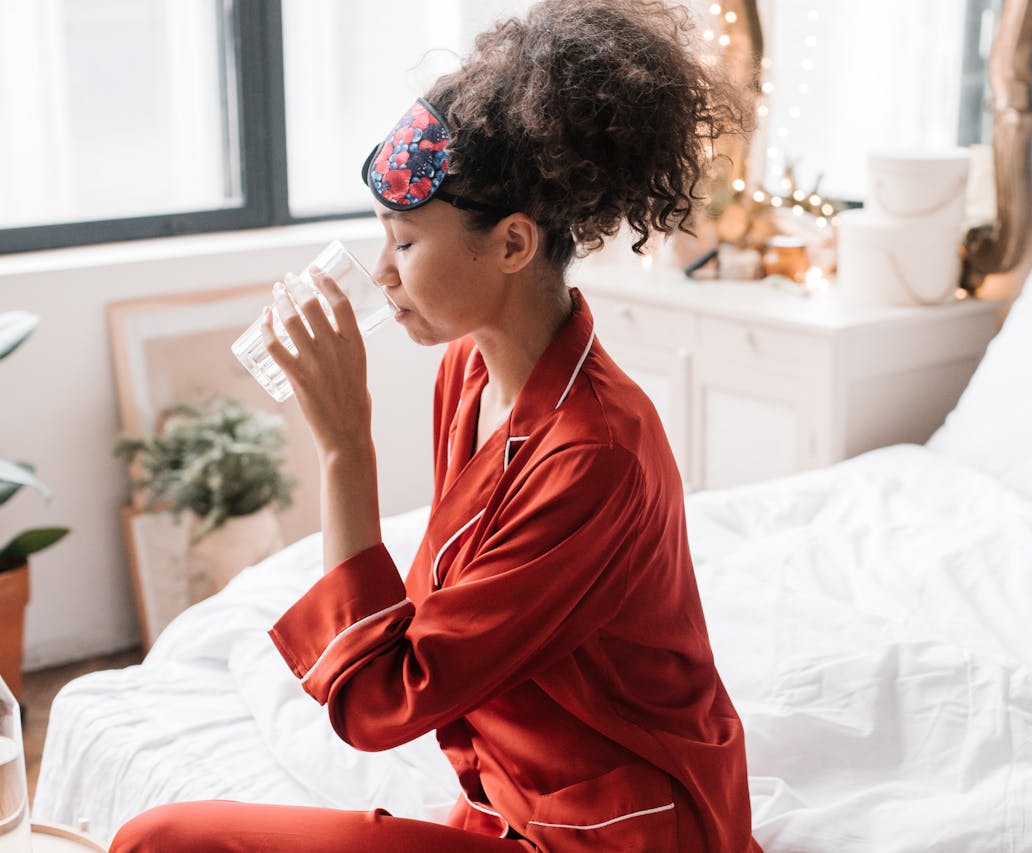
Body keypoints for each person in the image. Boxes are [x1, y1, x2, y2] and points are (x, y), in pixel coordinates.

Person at [109, 0, 757, 850]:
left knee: (164, 839)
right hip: (506, 789)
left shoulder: (596, 453)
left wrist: (345, 446)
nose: (380, 272)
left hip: (610, 833)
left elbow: (381, 702)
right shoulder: (468, 372)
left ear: (515, 244)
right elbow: (439, 626)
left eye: (406, 243)